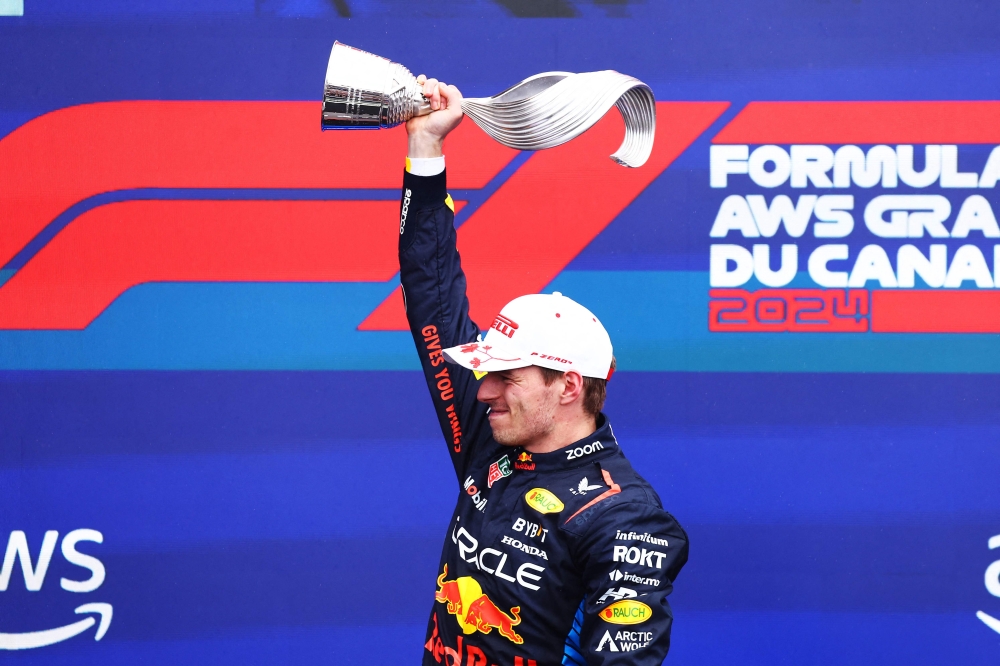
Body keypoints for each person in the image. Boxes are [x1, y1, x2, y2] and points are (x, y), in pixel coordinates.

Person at [401, 74, 688, 666]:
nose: (482, 391)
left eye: (506, 376)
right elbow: (432, 297)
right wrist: (426, 149)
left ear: (568, 387)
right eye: (486, 372)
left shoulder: (624, 517)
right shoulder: (495, 439)